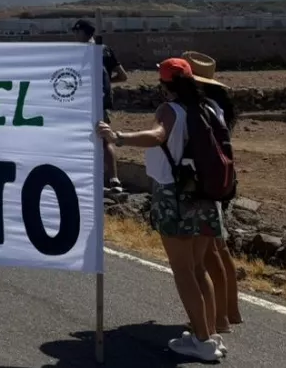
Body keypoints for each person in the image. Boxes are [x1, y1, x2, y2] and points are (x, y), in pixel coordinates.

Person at [97, 57, 227, 361]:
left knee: (183, 271)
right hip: (206, 194)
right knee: (198, 267)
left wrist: (118, 137)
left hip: (174, 194)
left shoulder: (170, 110)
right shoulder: (210, 108)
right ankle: (209, 335)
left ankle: (202, 342)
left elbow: (157, 136)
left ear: (165, 83)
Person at [183, 51, 244, 333]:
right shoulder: (217, 106)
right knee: (218, 247)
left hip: (206, 181)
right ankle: (230, 311)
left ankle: (218, 318)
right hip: (221, 179)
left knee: (210, 253)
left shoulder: (200, 108)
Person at [73, 19, 128, 193]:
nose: (75, 36)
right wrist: (106, 83)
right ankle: (114, 179)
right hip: (101, 103)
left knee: (81, 140)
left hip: (83, 103)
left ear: (82, 32)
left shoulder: (79, 52)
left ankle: (88, 178)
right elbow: (123, 76)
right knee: (105, 139)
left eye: (76, 32)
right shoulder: (105, 50)